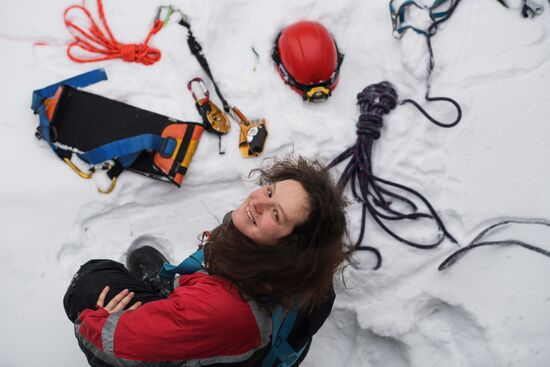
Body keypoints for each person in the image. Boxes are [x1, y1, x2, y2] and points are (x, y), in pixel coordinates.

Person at [63, 156, 350, 367]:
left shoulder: (219, 308)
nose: (258, 202)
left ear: (290, 248)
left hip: (217, 325)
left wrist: (95, 319)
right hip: (254, 343)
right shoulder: (310, 269)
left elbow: (106, 343)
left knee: (91, 281)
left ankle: (165, 296)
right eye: (271, 191)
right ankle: (174, 293)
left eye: (276, 215)